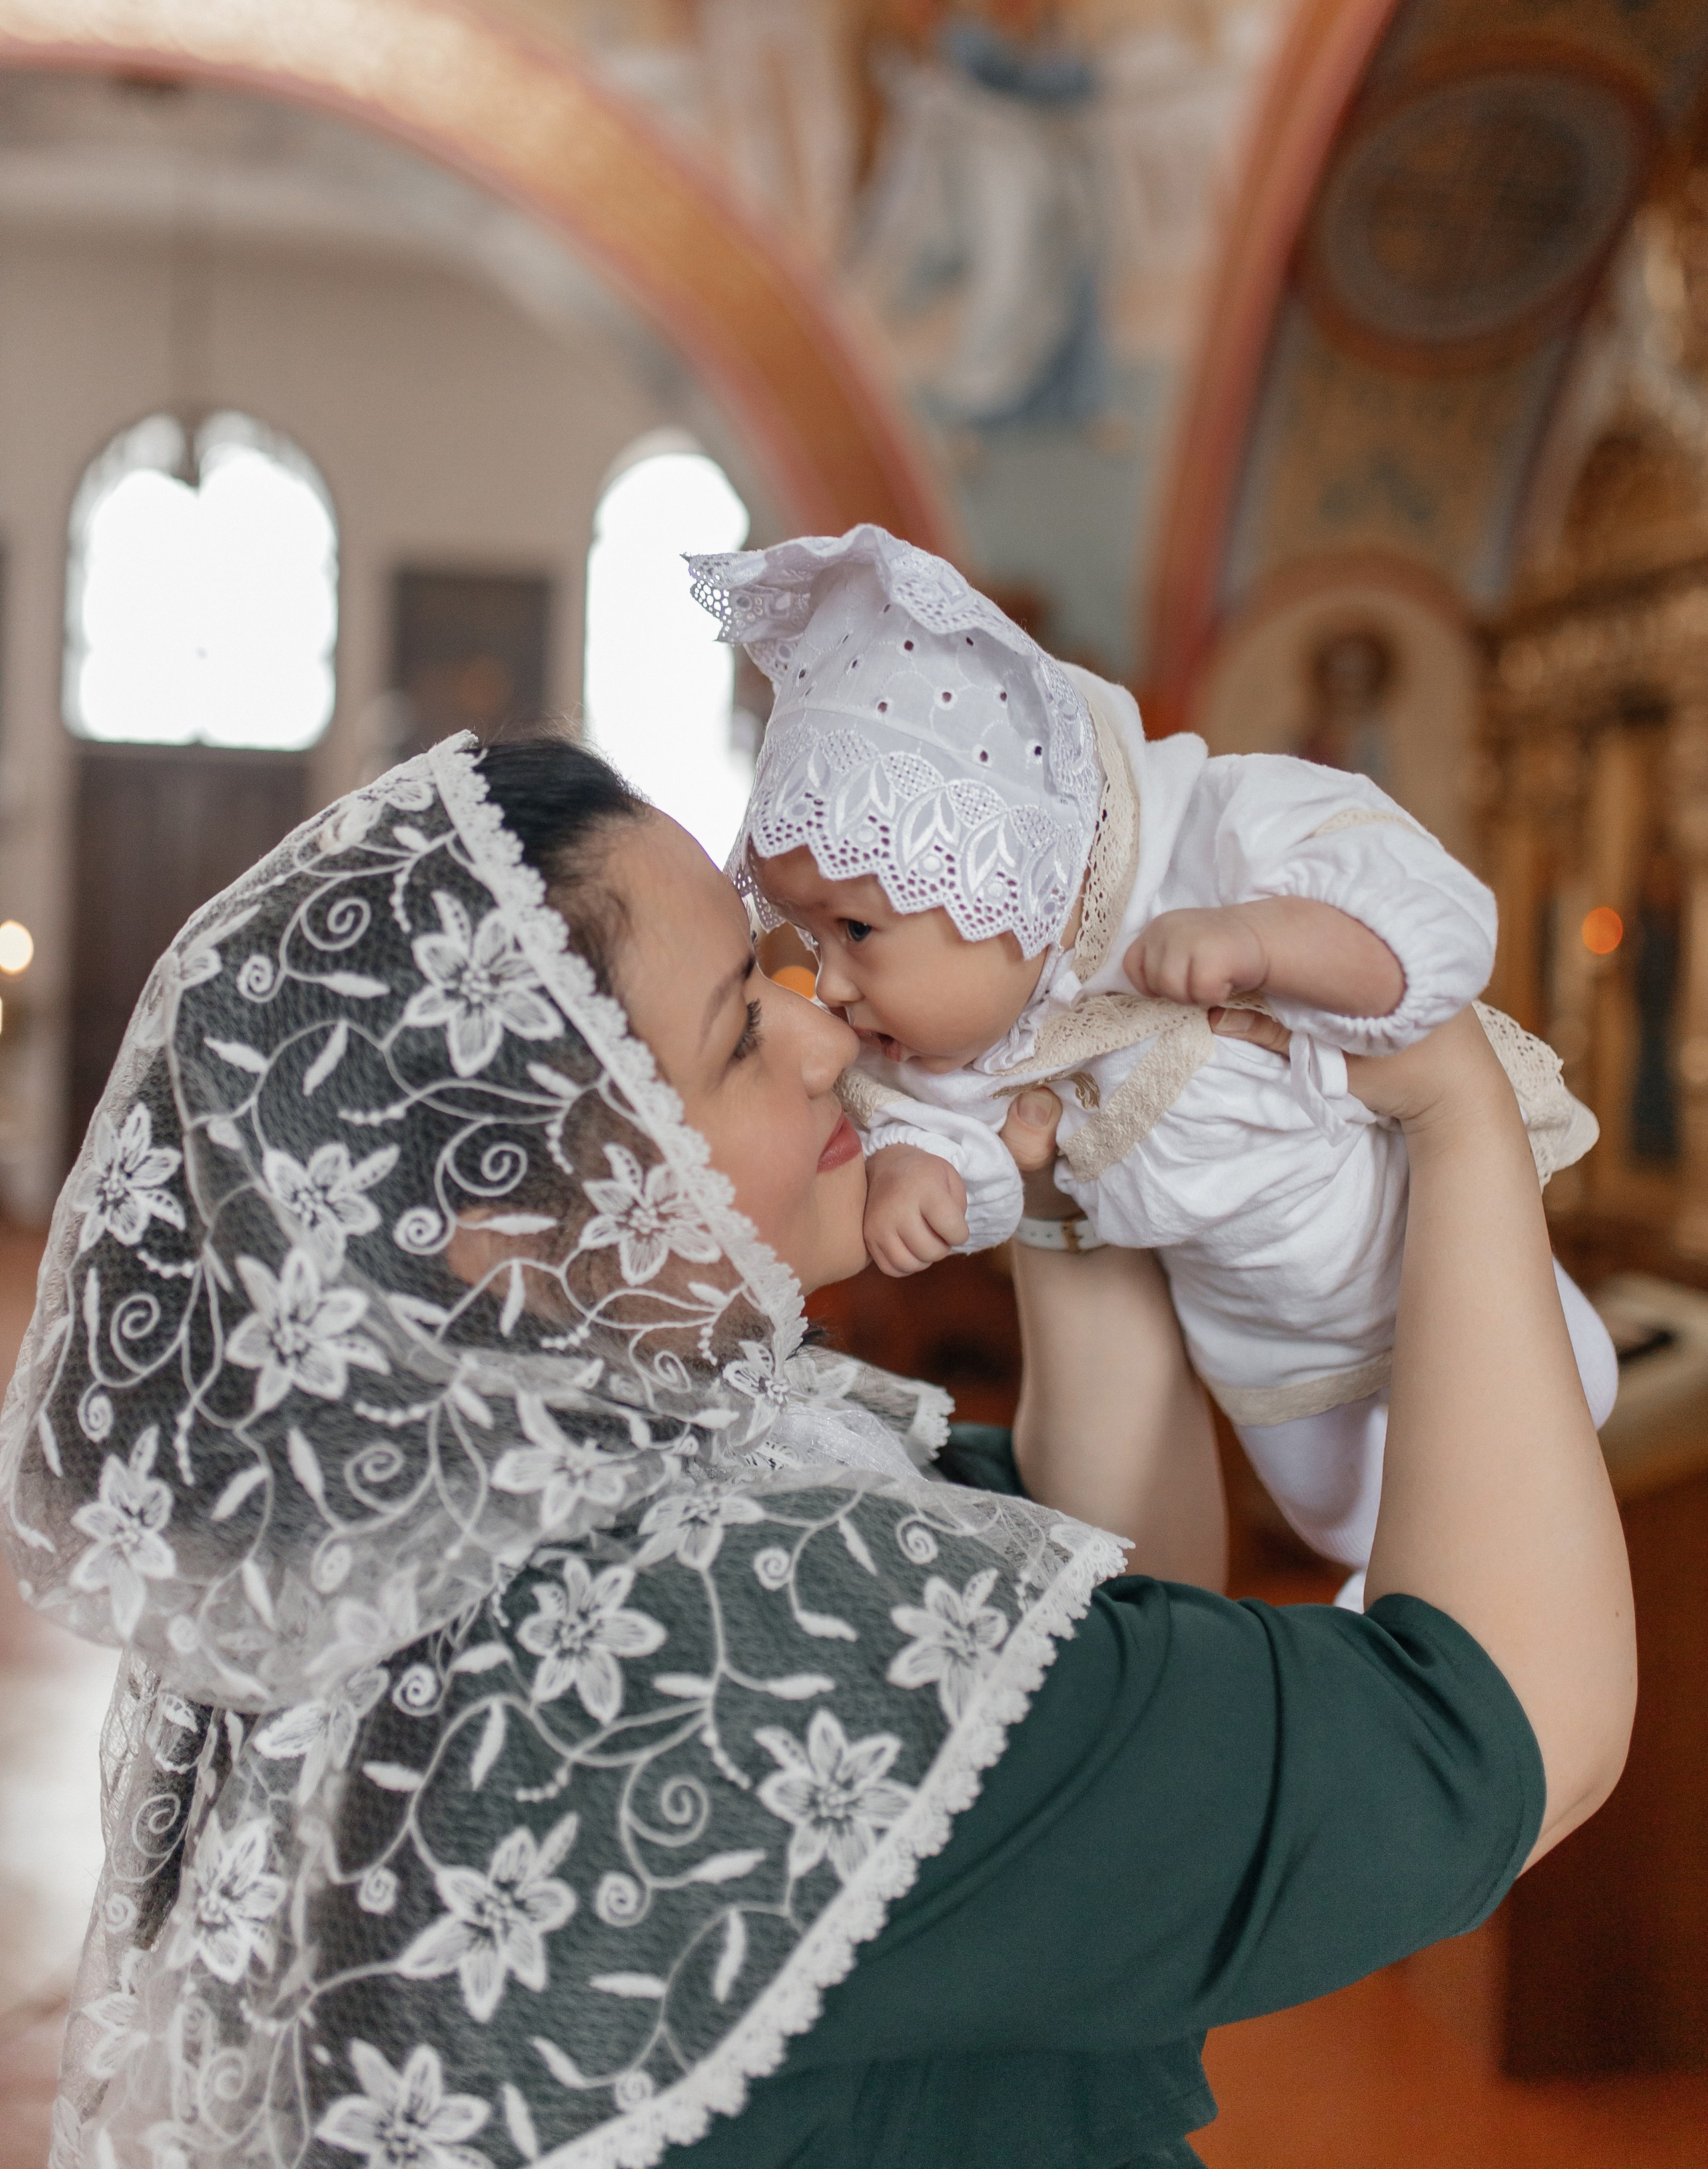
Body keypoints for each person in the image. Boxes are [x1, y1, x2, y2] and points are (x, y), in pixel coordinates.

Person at [0, 733, 1632, 2169]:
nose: (826, 1036)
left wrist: (1073, 1146)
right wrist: (1450, 1107)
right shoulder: (718, 1636)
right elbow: (1495, 1737)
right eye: (736, 1037)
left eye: (792, 972)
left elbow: (1112, 1612)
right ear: (504, 1222)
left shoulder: (483, 1511)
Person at [691, 526, 1618, 1596]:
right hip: (1275, 1361)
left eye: (853, 932)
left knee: (1544, 1441)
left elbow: (1440, 922)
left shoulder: (1209, 833)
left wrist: (1272, 940)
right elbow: (955, 1142)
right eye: (808, 941)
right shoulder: (943, 1039)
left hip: (1418, 1234)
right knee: (1358, 1533)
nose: (831, 986)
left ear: (993, 873)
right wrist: (920, 1176)